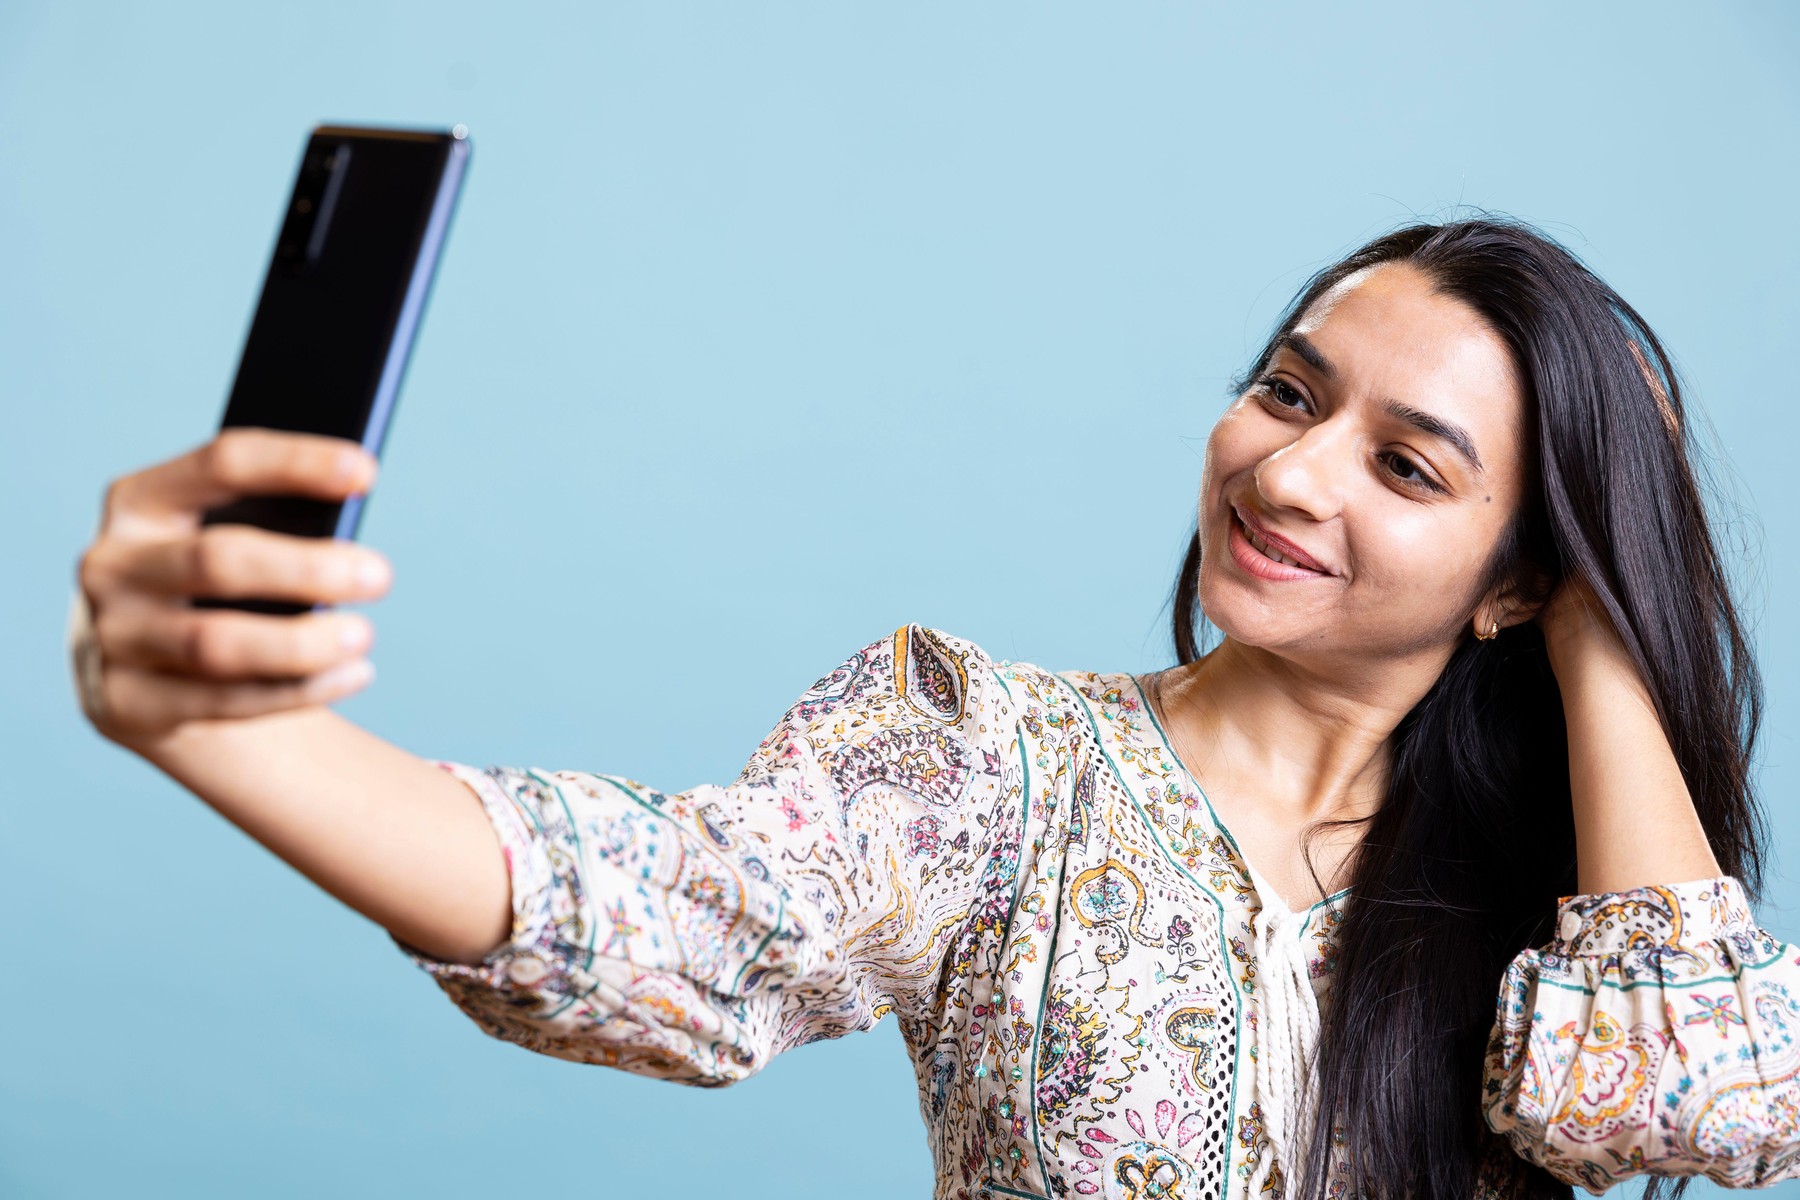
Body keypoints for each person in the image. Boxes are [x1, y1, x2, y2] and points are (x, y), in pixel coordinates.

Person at [68, 216, 1800, 1200]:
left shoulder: (1566, 898)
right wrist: (237, 734)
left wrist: (1603, 634)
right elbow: (688, 924)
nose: (1287, 468)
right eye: (1287, 389)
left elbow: (1689, 1104)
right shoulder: (990, 757)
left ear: (1517, 580)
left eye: (1405, 464)